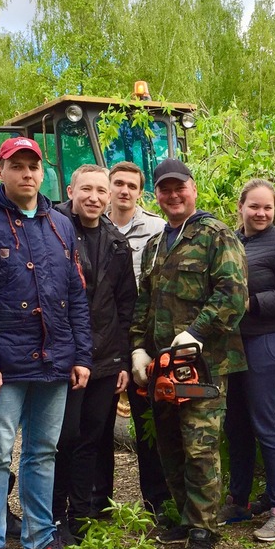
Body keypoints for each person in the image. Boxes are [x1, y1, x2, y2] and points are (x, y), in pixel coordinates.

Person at [0, 137, 93, 549]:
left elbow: (75, 296)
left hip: (55, 362)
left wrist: (80, 355)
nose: (28, 174)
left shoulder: (60, 224)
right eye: (18, 166)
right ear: (2, 172)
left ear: (43, 173)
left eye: (34, 166)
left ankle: (38, 537)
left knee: (42, 451)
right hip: (3, 366)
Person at [130, 159, 248, 549]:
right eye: (165, 190)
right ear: (157, 196)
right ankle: (184, 517)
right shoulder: (154, 244)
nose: (173, 196)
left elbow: (234, 297)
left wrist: (196, 331)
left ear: (193, 189)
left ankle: (203, 530)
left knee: (201, 447)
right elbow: (144, 303)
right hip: (161, 365)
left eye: (180, 188)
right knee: (170, 444)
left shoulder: (216, 235)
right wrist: (137, 348)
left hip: (206, 365)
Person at [53, 165, 136, 542]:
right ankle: (52, 516)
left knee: (90, 438)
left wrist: (122, 359)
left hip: (104, 359)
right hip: (63, 356)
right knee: (61, 437)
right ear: (71, 190)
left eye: (101, 191)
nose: (94, 198)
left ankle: (80, 515)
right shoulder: (51, 230)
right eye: (86, 189)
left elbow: (125, 305)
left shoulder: (116, 242)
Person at [221, 179, 275, 541]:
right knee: (236, 422)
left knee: (267, 422)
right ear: (240, 206)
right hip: (233, 343)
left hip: (269, 339)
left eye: (267, 208)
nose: (261, 213)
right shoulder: (230, 241)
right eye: (254, 206)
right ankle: (239, 501)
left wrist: (252, 304)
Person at [106, 161, 170, 517]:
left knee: (149, 423)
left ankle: (157, 502)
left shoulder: (158, 230)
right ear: (109, 186)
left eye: (132, 185)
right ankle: (96, 506)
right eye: (119, 183)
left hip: (144, 339)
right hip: (103, 337)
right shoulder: (89, 225)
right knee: (97, 426)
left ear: (140, 192)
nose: (125, 191)